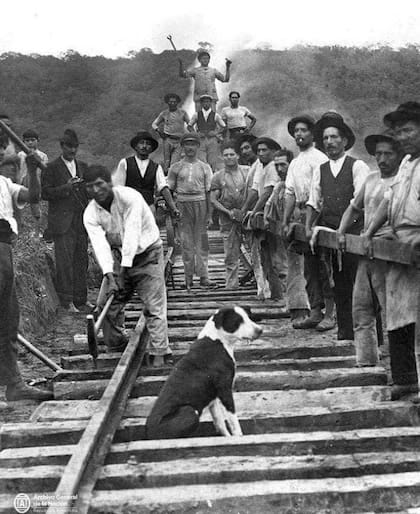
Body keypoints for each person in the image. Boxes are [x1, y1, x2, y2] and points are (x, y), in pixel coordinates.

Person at [83, 165, 172, 367]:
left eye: (99, 184)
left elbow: (132, 234)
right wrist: (109, 275)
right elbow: (99, 245)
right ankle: (116, 345)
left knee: (153, 305)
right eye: (90, 187)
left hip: (147, 254)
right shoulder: (90, 214)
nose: (96, 190)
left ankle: (160, 352)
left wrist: (123, 272)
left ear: (109, 183)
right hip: (119, 256)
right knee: (106, 305)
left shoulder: (130, 197)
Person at [363, 101, 420, 399]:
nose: (402, 137)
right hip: (398, 249)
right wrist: (369, 232)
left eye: (408, 130)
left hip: (416, 248)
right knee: (398, 317)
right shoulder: (406, 165)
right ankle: (406, 379)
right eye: (398, 132)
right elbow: (388, 202)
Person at [337, 130, 402, 366]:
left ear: (399, 155)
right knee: (361, 309)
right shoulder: (372, 178)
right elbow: (354, 208)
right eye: (378, 154)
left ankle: (399, 366)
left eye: (388, 154)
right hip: (366, 250)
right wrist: (341, 232)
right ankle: (366, 361)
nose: (382, 159)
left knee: (391, 311)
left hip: (390, 253)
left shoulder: (403, 180)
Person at [306, 113, 370, 341]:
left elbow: (360, 203)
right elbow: (314, 201)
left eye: (334, 137)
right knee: (339, 283)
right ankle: (345, 332)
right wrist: (308, 226)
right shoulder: (320, 169)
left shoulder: (357, 166)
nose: (330, 142)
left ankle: (370, 338)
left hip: (353, 234)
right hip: (332, 235)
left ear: (344, 141)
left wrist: (346, 230)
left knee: (361, 286)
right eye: (326, 138)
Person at [0, 151, 53, 402]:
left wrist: (32, 170)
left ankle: (14, 384)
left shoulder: (5, 183)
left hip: (5, 250)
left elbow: (33, 196)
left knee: (9, 321)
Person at [283, 115, 332, 328]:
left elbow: (320, 192)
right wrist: (286, 221)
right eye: (296, 131)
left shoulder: (319, 158)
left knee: (324, 265)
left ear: (312, 134)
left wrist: (314, 220)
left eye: (303, 130)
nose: (299, 134)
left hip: (321, 214)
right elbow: (290, 192)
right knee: (309, 267)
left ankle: (330, 314)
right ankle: (315, 311)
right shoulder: (295, 162)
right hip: (303, 214)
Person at [41, 129, 91, 313]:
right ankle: (67, 302)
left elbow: (90, 191)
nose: (72, 150)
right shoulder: (51, 168)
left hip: (80, 222)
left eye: (75, 147)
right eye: (69, 147)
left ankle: (81, 300)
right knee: (64, 263)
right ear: (62, 146)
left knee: (81, 261)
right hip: (62, 223)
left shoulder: (84, 166)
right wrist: (66, 187)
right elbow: (44, 193)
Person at [167, 133, 216, 290]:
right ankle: (188, 278)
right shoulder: (175, 167)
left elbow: (209, 192)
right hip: (182, 205)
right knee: (187, 243)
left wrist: (209, 214)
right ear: (182, 147)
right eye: (187, 144)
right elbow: (169, 189)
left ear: (197, 146)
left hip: (200, 204)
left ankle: (204, 277)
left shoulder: (205, 167)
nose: (190, 147)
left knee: (202, 243)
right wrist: (173, 210)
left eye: (193, 144)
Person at [240, 136, 284, 300]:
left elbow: (267, 192)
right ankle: (272, 292)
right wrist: (245, 209)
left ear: (273, 152)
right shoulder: (260, 165)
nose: (260, 153)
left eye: (264, 150)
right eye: (258, 150)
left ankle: (280, 294)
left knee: (276, 256)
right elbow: (255, 189)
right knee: (265, 253)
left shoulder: (273, 167)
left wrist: (254, 210)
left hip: (273, 213)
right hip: (263, 213)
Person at [210, 141, 249, 289]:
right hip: (227, 219)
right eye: (225, 155)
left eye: (232, 154)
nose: (229, 157)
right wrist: (228, 212)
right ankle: (232, 286)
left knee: (256, 248)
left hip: (247, 216)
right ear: (221, 157)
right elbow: (213, 200)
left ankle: (262, 284)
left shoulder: (247, 171)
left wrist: (244, 211)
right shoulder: (218, 176)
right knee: (230, 254)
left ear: (238, 155)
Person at [113, 131, 179, 217]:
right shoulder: (125, 163)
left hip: (148, 207)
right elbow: (119, 188)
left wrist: (174, 208)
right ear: (136, 146)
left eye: (148, 144)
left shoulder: (156, 167)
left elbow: (163, 187)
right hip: (129, 207)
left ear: (151, 148)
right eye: (141, 143)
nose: (144, 146)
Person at [17, 129, 49, 232]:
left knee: (35, 207)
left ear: (37, 140)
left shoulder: (42, 156)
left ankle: (37, 230)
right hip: (22, 182)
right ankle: (19, 229)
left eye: (32, 140)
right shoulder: (20, 155)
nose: (30, 142)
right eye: (27, 140)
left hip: (36, 183)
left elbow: (44, 172)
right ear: (23, 141)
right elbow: (19, 170)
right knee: (19, 207)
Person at [151, 93, 189, 172]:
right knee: (166, 162)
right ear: (167, 102)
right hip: (167, 139)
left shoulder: (182, 113)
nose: (172, 103)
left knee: (174, 163)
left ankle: (173, 179)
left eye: (174, 102)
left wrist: (192, 134)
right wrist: (159, 131)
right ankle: (165, 179)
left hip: (178, 140)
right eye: (170, 102)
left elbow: (190, 124)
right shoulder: (164, 113)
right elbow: (154, 124)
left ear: (177, 102)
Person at [188, 94, 226, 172]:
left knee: (212, 160)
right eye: (204, 102)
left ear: (211, 103)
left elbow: (224, 126)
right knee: (201, 160)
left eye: (208, 101)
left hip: (212, 140)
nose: (206, 103)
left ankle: (212, 179)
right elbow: (189, 126)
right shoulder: (196, 115)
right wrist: (196, 134)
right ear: (201, 103)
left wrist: (216, 133)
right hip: (201, 140)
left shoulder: (216, 115)